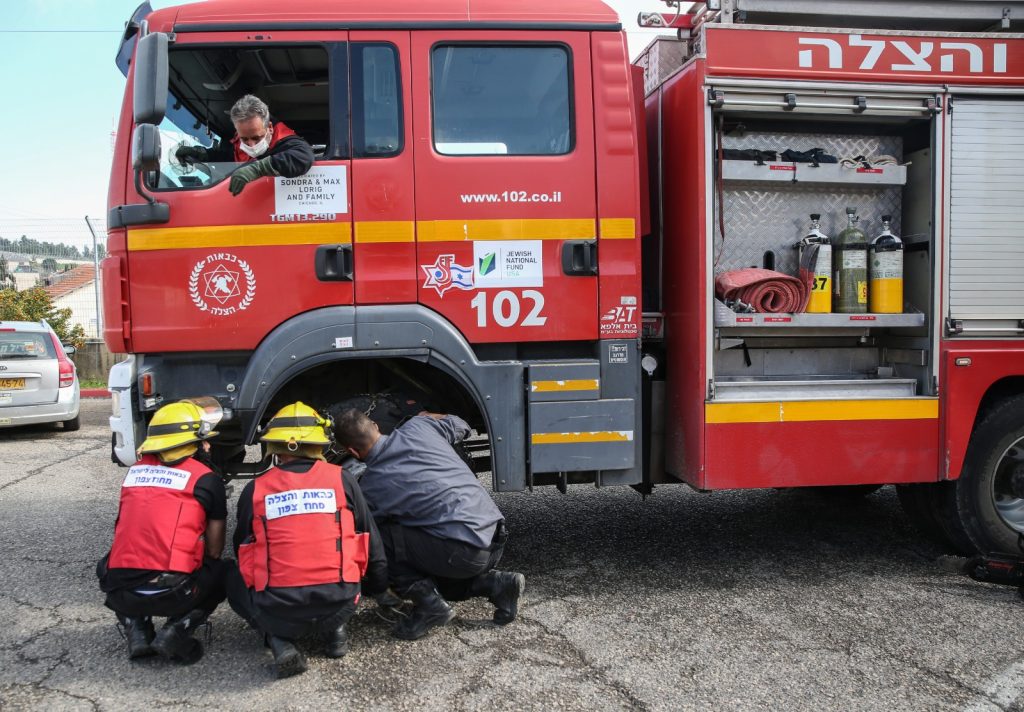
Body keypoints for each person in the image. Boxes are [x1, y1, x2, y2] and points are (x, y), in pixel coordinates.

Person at [226, 402, 388, 679]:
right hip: (342, 605)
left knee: (230, 572)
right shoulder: (344, 480)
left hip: (279, 612)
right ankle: (335, 633)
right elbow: (370, 542)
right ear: (319, 445)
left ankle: (278, 639)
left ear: (274, 448)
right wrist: (381, 589)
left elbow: (242, 547)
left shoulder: (256, 489)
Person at [334, 408, 525, 641]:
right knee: (428, 566)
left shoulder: (372, 486)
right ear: (375, 425)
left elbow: (365, 534)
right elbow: (460, 423)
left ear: (352, 451)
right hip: (495, 534)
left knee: (379, 537)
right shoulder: (419, 426)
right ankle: (497, 585)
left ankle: (429, 607)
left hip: (465, 554)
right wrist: (429, 416)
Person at [97, 400, 228, 664]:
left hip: (122, 591)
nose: (208, 446)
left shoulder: (133, 474)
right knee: (224, 571)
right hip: (175, 593)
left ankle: (137, 628)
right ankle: (177, 629)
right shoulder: (206, 478)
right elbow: (215, 549)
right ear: (191, 444)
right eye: (203, 440)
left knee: (104, 564)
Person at [175, 94, 314, 196]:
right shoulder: (239, 144)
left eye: (256, 138)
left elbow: (303, 156)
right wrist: (202, 154)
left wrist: (256, 169)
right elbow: (228, 156)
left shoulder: (286, 141)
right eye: (244, 139)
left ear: (270, 128)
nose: (251, 145)